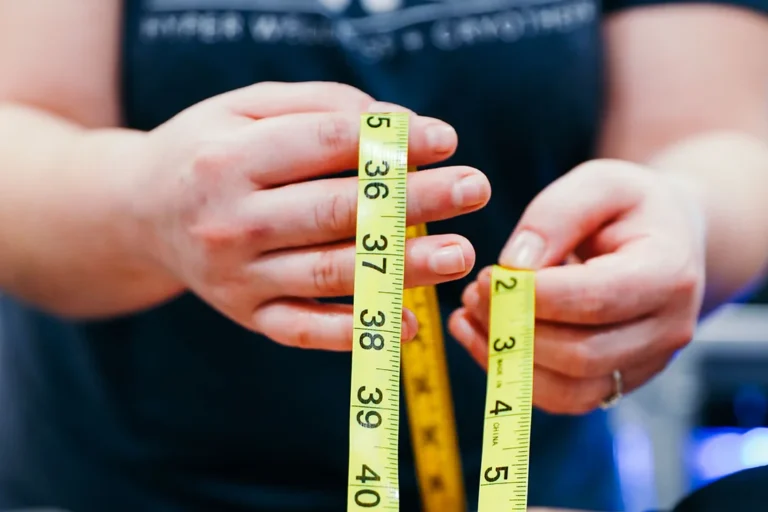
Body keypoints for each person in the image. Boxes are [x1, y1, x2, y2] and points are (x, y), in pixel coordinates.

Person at [2, 1, 768, 511]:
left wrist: (684, 218)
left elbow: (723, 137)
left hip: (530, 488)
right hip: (120, 483)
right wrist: (143, 202)